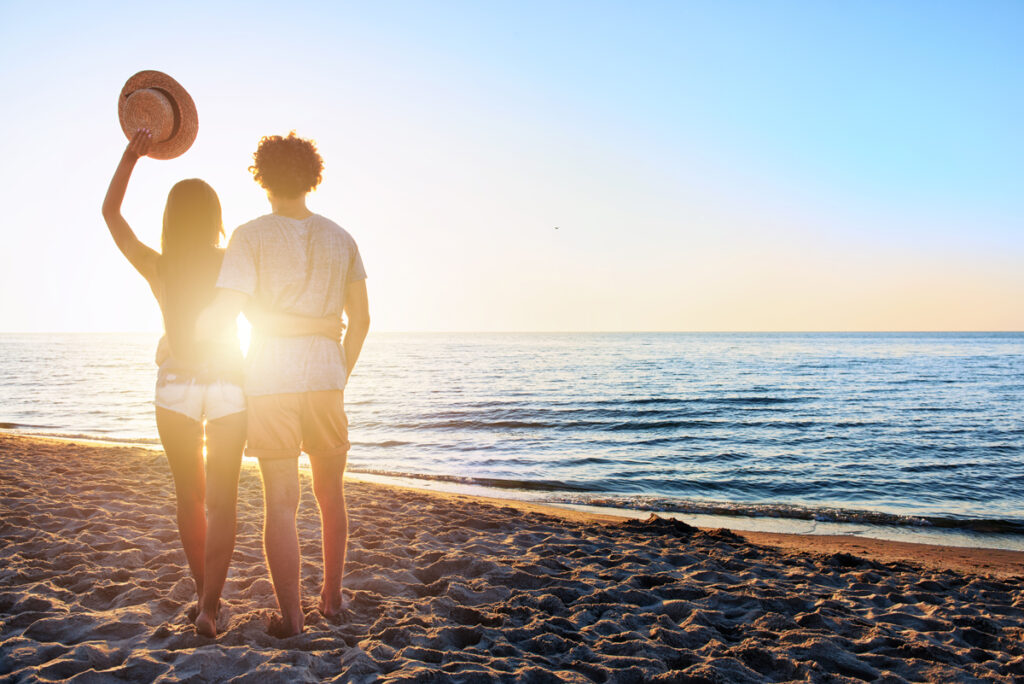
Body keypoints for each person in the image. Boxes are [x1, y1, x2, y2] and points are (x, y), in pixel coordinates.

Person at [102, 129, 342, 638]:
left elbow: (112, 217)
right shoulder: (230, 260)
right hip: (232, 385)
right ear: (216, 219)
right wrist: (321, 328)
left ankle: (204, 598)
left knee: (188, 497)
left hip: (175, 387)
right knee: (222, 502)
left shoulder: (159, 265)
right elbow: (268, 318)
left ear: (170, 219)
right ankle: (211, 605)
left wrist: (130, 157)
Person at [197, 131, 370, 637]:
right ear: (312, 177)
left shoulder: (249, 236)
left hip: (269, 379)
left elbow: (226, 311)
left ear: (263, 177)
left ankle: (292, 618)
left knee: (281, 503)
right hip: (324, 379)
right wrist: (338, 370)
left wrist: (188, 332)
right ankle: (332, 601)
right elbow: (360, 322)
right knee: (331, 495)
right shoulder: (342, 238)